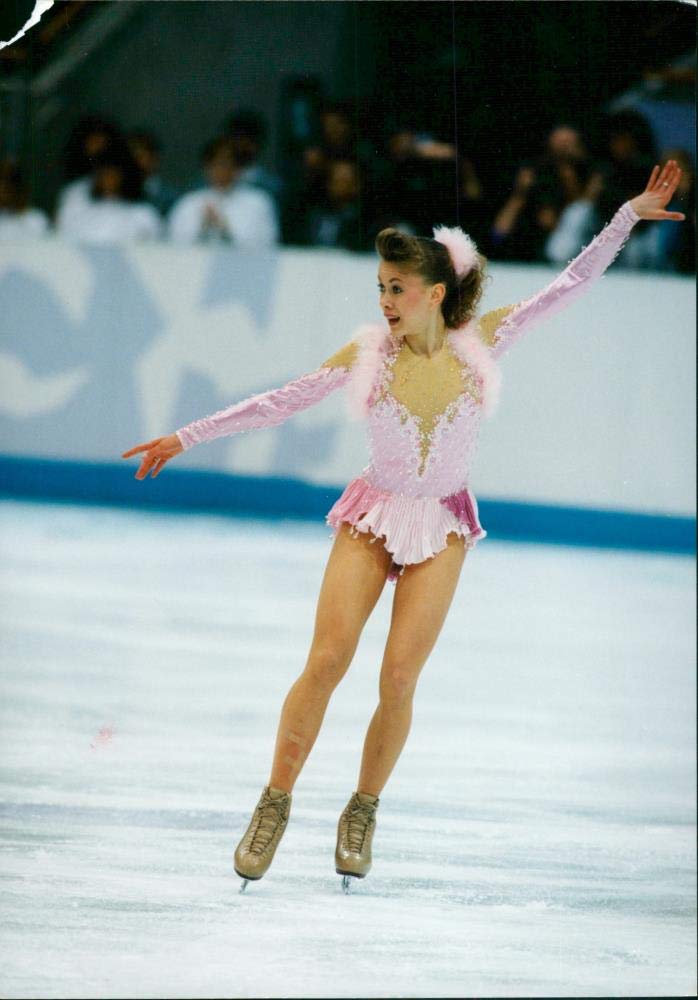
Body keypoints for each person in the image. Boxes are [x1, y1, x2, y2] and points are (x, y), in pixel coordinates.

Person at [121, 160, 684, 891]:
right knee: (326, 661)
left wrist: (627, 216)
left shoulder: (484, 339)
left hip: (442, 526)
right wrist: (185, 437)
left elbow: (567, 285)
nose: (385, 300)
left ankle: (362, 808)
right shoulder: (369, 356)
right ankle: (274, 802)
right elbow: (279, 401)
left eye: (397, 288)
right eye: (380, 287)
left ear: (435, 294)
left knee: (398, 677)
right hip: (373, 514)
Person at [167, 135, 279, 246]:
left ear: (238, 168)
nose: (221, 170)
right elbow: (173, 245)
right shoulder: (188, 203)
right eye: (216, 164)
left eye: (227, 163)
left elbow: (267, 243)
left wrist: (226, 230)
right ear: (206, 168)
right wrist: (203, 228)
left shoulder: (258, 202)